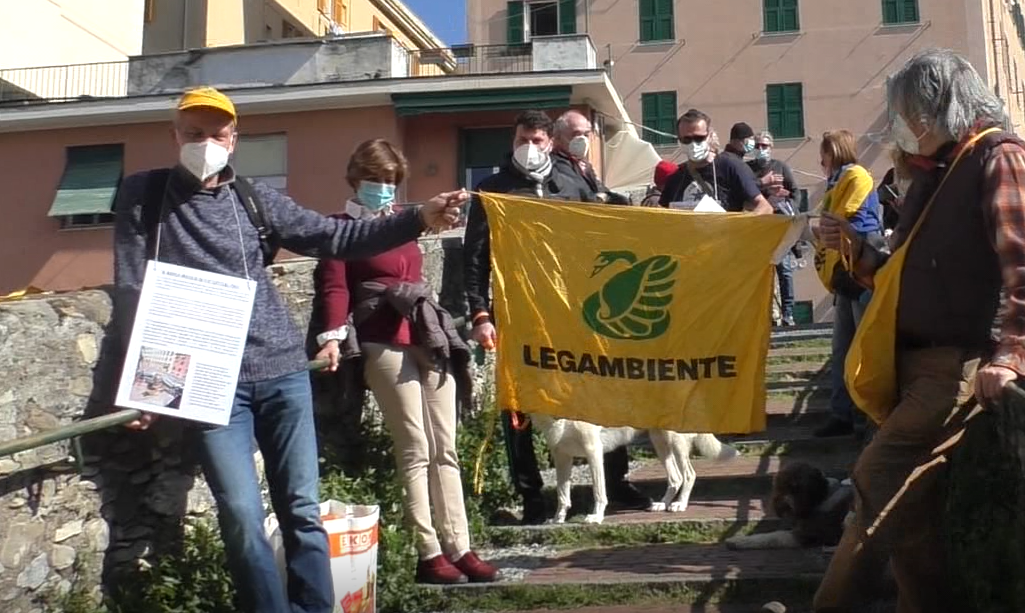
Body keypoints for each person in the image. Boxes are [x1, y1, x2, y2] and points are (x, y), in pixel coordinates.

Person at [114, 87, 466, 613]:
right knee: (240, 514)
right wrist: (139, 381)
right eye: (193, 133)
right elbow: (131, 287)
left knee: (301, 509)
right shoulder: (143, 195)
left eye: (215, 133)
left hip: (281, 370)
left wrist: (419, 216)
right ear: (174, 135)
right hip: (209, 381)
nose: (204, 143)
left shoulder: (254, 199)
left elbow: (334, 238)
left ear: (233, 139)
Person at [809, 49, 1025, 612]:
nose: (904, 125)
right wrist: (857, 251)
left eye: (909, 111)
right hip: (919, 362)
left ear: (938, 106)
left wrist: (1012, 355)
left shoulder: (998, 157)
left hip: (954, 363)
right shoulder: (940, 171)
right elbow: (906, 274)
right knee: (912, 521)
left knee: (876, 480)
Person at [311, 139, 499, 585]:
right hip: (380, 340)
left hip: (423, 332)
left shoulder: (402, 223)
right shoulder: (339, 229)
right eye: (376, 180)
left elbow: (414, 272)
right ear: (356, 179)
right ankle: (428, 551)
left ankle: (461, 547)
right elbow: (334, 288)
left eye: (392, 181)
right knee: (415, 447)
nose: (384, 189)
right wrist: (332, 336)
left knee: (445, 447)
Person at [462, 110, 651, 524]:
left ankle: (615, 483)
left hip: (576, 313)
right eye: (520, 140)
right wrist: (480, 313)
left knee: (601, 392)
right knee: (520, 406)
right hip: (519, 316)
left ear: (551, 143)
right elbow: (475, 257)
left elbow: (603, 234)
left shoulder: (573, 182)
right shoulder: (492, 190)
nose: (528, 148)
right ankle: (532, 497)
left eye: (536, 140)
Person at [811, 129, 881, 439]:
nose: (820, 160)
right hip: (846, 274)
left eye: (824, 154)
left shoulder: (855, 176)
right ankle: (843, 414)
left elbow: (843, 219)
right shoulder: (837, 183)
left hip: (860, 270)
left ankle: (865, 416)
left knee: (859, 349)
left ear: (835, 152)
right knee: (842, 350)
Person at [658, 111, 772, 214]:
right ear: (679, 140)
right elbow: (661, 215)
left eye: (699, 138)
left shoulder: (730, 166)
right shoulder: (676, 178)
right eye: (687, 139)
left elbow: (764, 207)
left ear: (709, 136)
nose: (693, 144)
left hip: (725, 236)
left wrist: (743, 226)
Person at [749, 130, 800, 326]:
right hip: (759, 227)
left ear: (771, 147)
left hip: (781, 224)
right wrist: (764, 189)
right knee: (762, 272)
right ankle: (765, 312)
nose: (761, 150)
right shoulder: (748, 169)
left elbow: (796, 192)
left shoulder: (781, 167)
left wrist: (790, 208)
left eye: (765, 146)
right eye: (758, 146)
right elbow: (747, 190)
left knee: (784, 269)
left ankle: (788, 313)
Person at [550, 110, 630, 205]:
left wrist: (617, 199)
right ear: (558, 136)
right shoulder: (553, 164)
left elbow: (601, 189)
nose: (582, 139)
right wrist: (601, 197)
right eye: (576, 134)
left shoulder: (584, 165)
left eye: (586, 134)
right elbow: (580, 193)